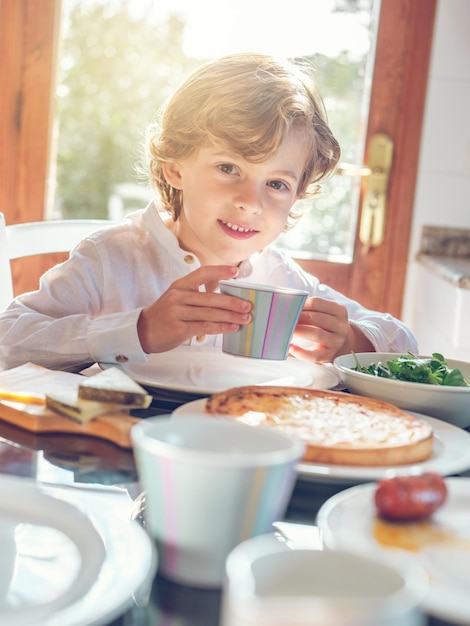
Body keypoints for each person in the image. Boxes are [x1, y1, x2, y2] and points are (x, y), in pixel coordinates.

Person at [0, 53, 417, 373]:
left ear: (298, 196)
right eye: (229, 168)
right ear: (175, 166)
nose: (250, 202)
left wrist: (350, 341)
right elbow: (7, 340)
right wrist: (137, 330)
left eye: (276, 184)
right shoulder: (110, 260)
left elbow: (405, 343)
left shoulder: (281, 281)